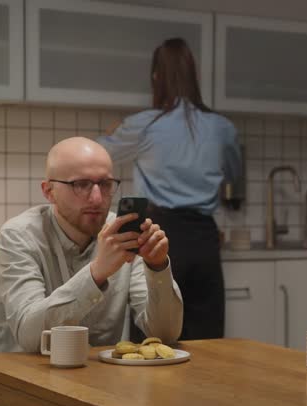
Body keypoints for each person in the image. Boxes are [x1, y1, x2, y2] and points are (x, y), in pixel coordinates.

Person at [0, 136, 182, 406]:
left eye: (105, 184)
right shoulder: (18, 236)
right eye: (80, 185)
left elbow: (164, 334)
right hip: (19, 397)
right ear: (48, 191)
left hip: (100, 397)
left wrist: (157, 267)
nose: (96, 198)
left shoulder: (121, 234)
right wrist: (96, 272)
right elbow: (31, 336)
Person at [98, 37, 241, 341]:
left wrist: (114, 130)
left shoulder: (144, 125)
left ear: (156, 77)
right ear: (195, 77)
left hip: (157, 235)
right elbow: (233, 174)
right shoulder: (222, 127)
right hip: (204, 238)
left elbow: (96, 157)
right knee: (208, 341)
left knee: (154, 336)